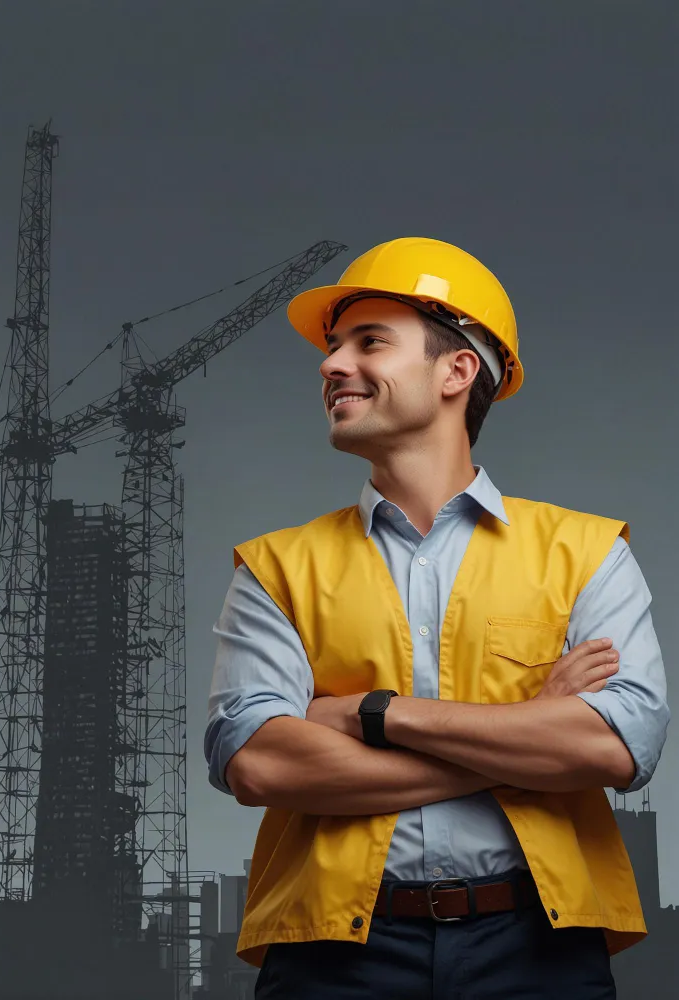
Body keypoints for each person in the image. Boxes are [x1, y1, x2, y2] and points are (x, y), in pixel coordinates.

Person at [204, 237, 669, 998]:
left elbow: (618, 745)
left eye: (369, 342)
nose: (330, 365)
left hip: (538, 952)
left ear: (457, 370)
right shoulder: (275, 567)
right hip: (332, 961)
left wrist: (368, 713)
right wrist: (526, 725)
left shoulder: (586, 552)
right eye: (332, 347)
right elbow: (257, 763)